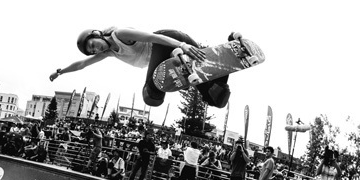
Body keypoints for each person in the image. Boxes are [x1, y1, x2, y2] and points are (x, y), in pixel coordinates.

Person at [50, 27, 230, 108]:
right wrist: (61, 72)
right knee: (215, 98)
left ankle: (178, 57)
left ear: (97, 34)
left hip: (170, 40)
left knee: (151, 92)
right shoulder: (109, 53)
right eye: (92, 51)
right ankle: (229, 53)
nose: (96, 49)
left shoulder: (120, 34)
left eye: (93, 44)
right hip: (173, 53)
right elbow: (82, 64)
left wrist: (182, 45)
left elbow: (154, 37)